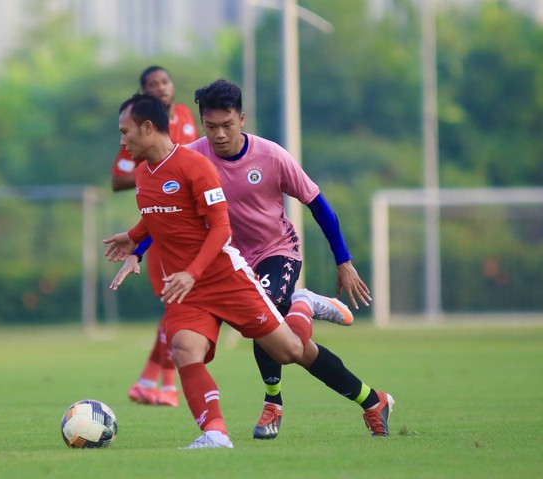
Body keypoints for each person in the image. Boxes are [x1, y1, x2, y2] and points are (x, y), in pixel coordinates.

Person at [104, 93, 393, 449]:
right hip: (190, 282)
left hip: (243, 266)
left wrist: (343, 260)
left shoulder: (219, 162)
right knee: (184, 349)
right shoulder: (149, 172)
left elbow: (226, 228)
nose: (219, 134)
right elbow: (164, 216)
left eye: (125, 131)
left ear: (241, 119)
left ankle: (299, 307)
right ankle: (215, 432)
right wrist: (135, 244)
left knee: (288, 350)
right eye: (211, 126)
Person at [111, 66, 199, 408]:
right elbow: (117, 179)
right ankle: (160, 383)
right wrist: (161, 172)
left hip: (191, 224)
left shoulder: (186, 116)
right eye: (153, 85)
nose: (161, 88)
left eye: (165, 81)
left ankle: (155, 383)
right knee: (175, 304)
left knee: (177, 306)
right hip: (163, 226)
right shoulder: (137, 133)